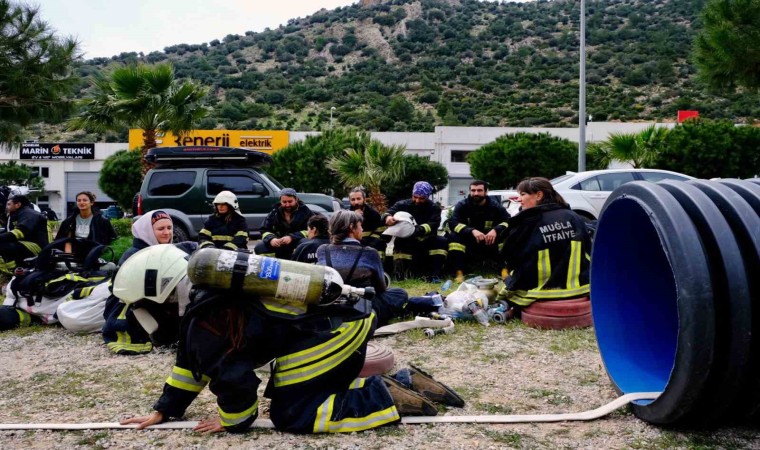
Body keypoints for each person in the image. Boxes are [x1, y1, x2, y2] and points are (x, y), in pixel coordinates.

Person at [121, 247, 463, 435]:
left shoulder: (206, 320)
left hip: (333, 331)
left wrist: (232, 421)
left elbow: (236, 382)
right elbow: (190, 367)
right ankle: (405, 381)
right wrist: (164, 410)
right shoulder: (206, 308)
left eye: (141, 306)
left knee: (294, 413)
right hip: (341, 322)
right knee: (300, 396)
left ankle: (383, 395)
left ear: (161, 296)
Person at [496, 177, 591, 316]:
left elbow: (510, 255)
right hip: (581, 288)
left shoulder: (528, 220)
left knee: (508, 277)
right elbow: (588, 249)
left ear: (539, 195)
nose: (519, 199)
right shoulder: (573, 216)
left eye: (523, 194)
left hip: (536, 290)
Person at [101, 210, 192, 355]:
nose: (167, 233)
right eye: (160, 229)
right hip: (133, 303)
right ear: (147, 231)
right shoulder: (133, 254)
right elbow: (119, 288)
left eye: (169, 228)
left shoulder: (170, 251)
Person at [382, 181, 447, 281]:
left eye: (421, 198)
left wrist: (414, 230)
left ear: (428, 196)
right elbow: (387, 213)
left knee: (441, 241)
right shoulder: (402, 204)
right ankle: (401, 274)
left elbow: (432, 225)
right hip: (407, 240)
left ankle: (434, 274)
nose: (417, 200)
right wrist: (388, 217)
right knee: (400, 243)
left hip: (427, 239)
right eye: (415, 197)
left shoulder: (434, 208)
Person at [446, 181, 510, 282]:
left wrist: (495, 230)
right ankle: (459, 272)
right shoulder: (462, 205)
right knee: (454, 237)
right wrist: (471, 231)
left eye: (479, 190)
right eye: (473, 190)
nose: (476, 193)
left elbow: (508, 221)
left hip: (489, 242)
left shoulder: (495, 206)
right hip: (469, 242)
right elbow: (453, 223)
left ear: (486, 192)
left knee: (506, 237)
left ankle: (504, 270)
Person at [254, 188, 314, 260]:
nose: (287, 205)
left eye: (290, 201)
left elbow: (313, 230)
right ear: (280, 201)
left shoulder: (306, 212)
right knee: (259, 247)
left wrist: (292, 237)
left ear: (296, 199)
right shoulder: (274, 213)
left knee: (305, 244)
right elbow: (264, 229)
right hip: (279, 243)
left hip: (297, 242)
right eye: (284, 202)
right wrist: (271, 239)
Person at [0, 194, 49, 272]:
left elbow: (20, 232)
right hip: (27, 243)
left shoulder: (28, 214)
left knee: (4, 245)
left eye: (9, 204)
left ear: (18, 205)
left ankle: (13, 269)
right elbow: (7, 231)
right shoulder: (18, 214)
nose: (6, 207)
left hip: (37, 246)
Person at [347, 187, 386, 258]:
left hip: (373, 245)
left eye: (358, 199)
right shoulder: (346, 215)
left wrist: (369, 245)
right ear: (349, 201)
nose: (356, 202)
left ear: (364, 199)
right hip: (352, 246)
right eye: (353, 199)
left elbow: (381, 232)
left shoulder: (373, 214)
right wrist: (353, 217)